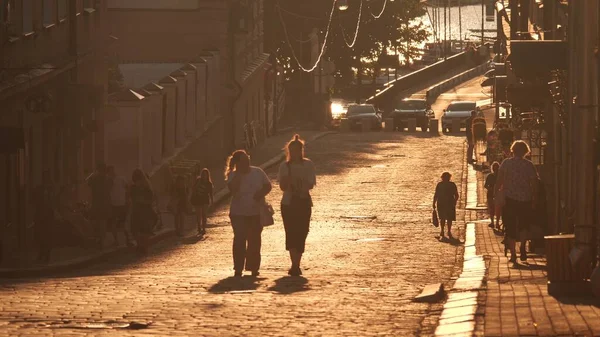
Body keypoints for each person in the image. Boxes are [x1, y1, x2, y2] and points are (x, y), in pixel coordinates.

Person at [226, 150, 272, 277]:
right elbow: (233, 189)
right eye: (244, 160)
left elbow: (268, 185)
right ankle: (238, 268)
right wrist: (239, 174)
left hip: (255, 212)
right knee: (240, 239)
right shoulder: (233, 175)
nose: (247, 162)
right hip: (238, 213)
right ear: (238, 163)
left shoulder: (258, 172)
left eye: (248, 159)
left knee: (254, 240)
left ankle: (253, 267)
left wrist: (260, 193)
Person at [278, 134, 316, 276]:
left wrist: (301, 183)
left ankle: (297, 262)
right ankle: (295, 264)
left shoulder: (308, 164)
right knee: (291, 231)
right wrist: (290, 181)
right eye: (292, 151)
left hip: (304, 201)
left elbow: (311, 184)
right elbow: (282, 186)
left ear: (301, 150)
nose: (295, 153)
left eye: (298, 150)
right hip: (288, 202)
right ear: (289, 152)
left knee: (303, 231)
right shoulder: (284, 166)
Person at [495, 140, 538, 264]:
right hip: (525, 199)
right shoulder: (529, 165)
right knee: (524, 224)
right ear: (525, 151)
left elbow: (499, 180)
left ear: (512, 150)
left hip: (510, 199)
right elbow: (534, 183)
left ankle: (513, 254)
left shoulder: (506, 163)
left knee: (510, 226)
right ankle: (523, 246)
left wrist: (496, 193)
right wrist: (535, 198)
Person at [31, 170, 57, 263]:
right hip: (42, 215)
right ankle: (43, 254)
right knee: (41, 235)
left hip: (47, 216)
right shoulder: (41, 189)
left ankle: (45, 255)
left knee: (46, 235)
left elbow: (53, 202)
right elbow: (34, 200)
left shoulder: (50, 190)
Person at [130, 169, 156, 255]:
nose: (137, 182)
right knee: (135, 230)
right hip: (136, 211)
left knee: (144, 231)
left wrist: (141, 200)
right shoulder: (133, 188)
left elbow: (150, 199)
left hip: (145, 212)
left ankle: (143, 247)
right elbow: (131, 199)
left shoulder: (147, 188)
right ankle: (140, 246)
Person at [86, 162, 112, 248]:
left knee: (95, 221)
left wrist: (93, 173)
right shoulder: (108, 179)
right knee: (102, 222)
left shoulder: (94, 178)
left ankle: (97, 239)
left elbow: (86, 181)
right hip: (105, 203)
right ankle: (102, 241)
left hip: (96, 202)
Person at [107, 166, 133, 247]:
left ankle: (127, 239)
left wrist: (127, 199)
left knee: (123, 223)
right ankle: (117, 240)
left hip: (122, 204)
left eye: (112, 171)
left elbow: (128, 188)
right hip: (113, 205)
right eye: (110, 171)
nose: (112, 172)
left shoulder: (121, 179)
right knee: (114, 223)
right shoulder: (108, 181)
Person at [433, 172, 459, 239]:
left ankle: (442, 231)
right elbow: (456, 195)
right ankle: (449, 231)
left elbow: (436, 194)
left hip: (441, 203)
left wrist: (434, 202)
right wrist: (455, 201)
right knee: (449, 218)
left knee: (442, 218)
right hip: (450, 203)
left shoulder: (440, 184)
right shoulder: (452, 184)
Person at [190, 168, 214, 235]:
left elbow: (211, 193)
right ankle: (199, 227)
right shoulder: (198, 180)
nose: (204, 176)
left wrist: (212, 202)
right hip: (197, 199)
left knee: (204, 214)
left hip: (205, 200)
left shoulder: (209, 183)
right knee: (198, 215)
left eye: (206, 175)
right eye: (203, 174)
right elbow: (193, 189)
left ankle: (203, 228)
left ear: (207, 175)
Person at [485, 162, 501, 230]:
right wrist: (490, 189)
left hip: (497, 194)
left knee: (495, 209)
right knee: (494, 209)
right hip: (492, 194)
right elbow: (486, 185)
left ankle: (495, 222)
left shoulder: (499, 176)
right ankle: (494, 222)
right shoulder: (490, 176)